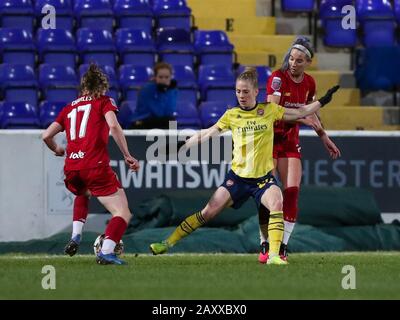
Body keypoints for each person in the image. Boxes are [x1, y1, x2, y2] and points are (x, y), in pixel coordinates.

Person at [149, 67, 339, 265]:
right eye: (238, 91)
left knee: (277, 202)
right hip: (238, 179)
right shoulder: (231, 115)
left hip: (262, 179)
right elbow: (205, 134)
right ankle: (166, 243)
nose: (241, 95)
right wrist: (181, 146)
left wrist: (323, 101)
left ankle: (274, 255)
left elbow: (301, 111)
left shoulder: (269, 110)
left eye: (245, 91)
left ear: (256, 92)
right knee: (207, 212)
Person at [42, 63, 140, 265]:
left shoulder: (69, 107)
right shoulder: (103, 101)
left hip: (72, 168)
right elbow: (113, 125)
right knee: (122, 212)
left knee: (82, 192)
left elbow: (46, 135)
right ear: (102, 88)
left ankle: (76, 235)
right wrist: (127, 155)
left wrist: (57, 150)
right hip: (94, 165)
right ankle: (106, 250)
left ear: (83, 88)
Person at [257, 37, 342, 264]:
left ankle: (282, 247)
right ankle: (265, 243)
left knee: (292, 191)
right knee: (268, 193)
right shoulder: (277, 78)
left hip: (289, 142)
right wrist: (301, 118)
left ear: (308, 63)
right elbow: (273, 109)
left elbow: (312, 112)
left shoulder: (309, 83)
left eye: (299, 60)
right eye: (292, 58)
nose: (293, 63)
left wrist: (324, 137)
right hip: (269, 139)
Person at [131, 62, 178, 129]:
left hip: (159, 120)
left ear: (171, 77)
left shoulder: (172, 90)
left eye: (167, 77)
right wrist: (163, 93)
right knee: (170, 121)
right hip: (143, 120)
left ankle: (172, 140)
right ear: (155, 77)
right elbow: (158, 112)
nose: (164, 80)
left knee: (172, 122)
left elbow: (170, 111)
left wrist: (168, 91)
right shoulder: (147, 89)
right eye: (160, 77)